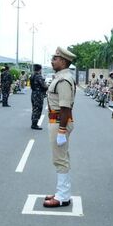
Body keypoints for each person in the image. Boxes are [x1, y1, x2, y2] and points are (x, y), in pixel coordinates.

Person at [44, 47, 76, 208]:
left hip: (59, 122)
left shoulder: (63, 80)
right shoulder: (61, 77)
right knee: (61, 157)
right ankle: (62, 192)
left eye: (55, 58)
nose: (52, 60)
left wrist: (62, 131)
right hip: (57, 121)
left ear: (63, 61)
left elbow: (65, 107)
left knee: (60, 159)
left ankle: (62, 196)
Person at [30, 64, 47, 130]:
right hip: (38, 94)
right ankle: (34, 124)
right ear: (40, 69)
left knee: (34, 108)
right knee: (38, 108)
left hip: (33, 93)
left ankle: (33, 123)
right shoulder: (38, 76)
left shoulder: (32, 75)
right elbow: (43, 86)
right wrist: (48, 87)